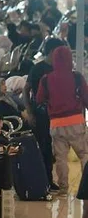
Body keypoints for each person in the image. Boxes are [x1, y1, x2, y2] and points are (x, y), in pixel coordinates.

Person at [36, 44, 88, 193]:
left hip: (56, 124)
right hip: (76, 122)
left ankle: (64, 188)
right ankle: (86, 186)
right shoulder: (77, 77)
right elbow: (86, 97)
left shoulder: (46, 79)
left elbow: (39, 99)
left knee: (61, 159)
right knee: (84, 155)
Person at [25, 37, 64, 186]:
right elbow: (26, 89)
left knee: (52, 148)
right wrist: (29, 112)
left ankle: (49, 180)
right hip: (40, 113)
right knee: (43, 147)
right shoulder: (38, 68)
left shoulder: (58, 68)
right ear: (53, 51)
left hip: (55, 114)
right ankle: (44, 180)